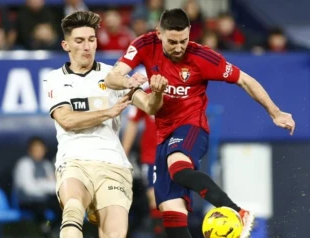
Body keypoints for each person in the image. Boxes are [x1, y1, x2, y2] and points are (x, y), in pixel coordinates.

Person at [104, 8, 296, 238]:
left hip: (192, 126)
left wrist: (275, 112)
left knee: (178, 168)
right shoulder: (144, 45)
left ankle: (239, 213)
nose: (178, 47)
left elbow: (245, 80)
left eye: (183, 40)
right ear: (158, 33)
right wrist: (129, 80)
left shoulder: (202, 57)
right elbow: (111, 78)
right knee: (169, 211)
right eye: (172, 42)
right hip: (162, 135)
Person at [43, 11, 168, 238]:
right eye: (79, 41)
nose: (87, 46)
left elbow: (150, 107)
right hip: (74, 161)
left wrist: (157, 91)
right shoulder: (55, 78)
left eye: (91, 40)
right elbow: (66, 119)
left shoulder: (113, 75)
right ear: (66, 45)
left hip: (113, 165)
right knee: (72, 209)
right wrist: (108, 111)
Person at [122, 83, 164, 237]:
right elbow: (133, 123)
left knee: (172, 200)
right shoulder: (144, 94)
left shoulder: (179, 93)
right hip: (151, 155)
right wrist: (123, 152)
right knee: (154, 197)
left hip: (174, 153)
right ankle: (160, 233)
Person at [13, 136, 60, 236]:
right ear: (29, 151)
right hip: (27, 202)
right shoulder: (24, 164)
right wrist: (44, 184)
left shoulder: (46, 164)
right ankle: (46, 229)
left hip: (43, 200)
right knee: (40, 209)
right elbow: (28, 188)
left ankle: (50, 228)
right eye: (35, 150)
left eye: (41, 150)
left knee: (61, 207)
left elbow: (54, 186)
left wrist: (40, 184)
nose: (38, 152)